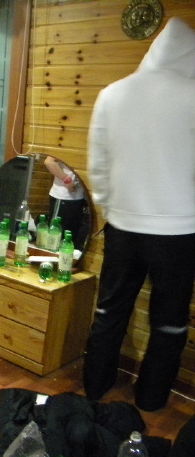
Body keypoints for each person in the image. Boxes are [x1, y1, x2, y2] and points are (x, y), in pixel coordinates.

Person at [84, 17, 195, 412]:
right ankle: (151, 399)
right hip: (180, 231)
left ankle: (95, 387)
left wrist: (111, 207)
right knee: (169, 322)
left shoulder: (113, 94)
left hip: (123, 226)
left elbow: (98, 164)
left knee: (109, 311)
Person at [43, 155, 88, 248]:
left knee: (72, 237)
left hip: (79, 198)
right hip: (62, 197)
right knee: (55, 237)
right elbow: (48, 162)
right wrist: (66, 179)